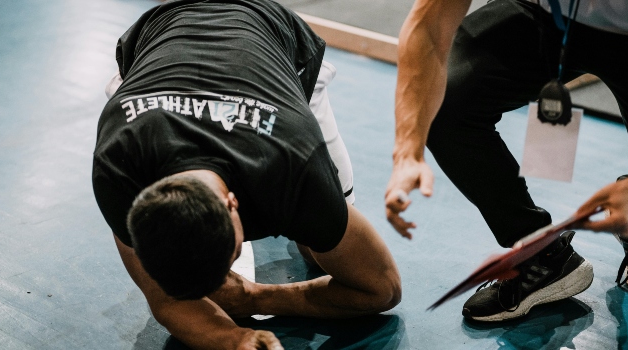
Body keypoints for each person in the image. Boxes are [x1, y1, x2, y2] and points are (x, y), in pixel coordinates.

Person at [385, 0, 628, 321]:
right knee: (446, 103)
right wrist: (407, 151)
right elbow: (428, 27)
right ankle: (542, 256)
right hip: (545, 13)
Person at [92, 1, 401, 348]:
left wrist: (256, 297)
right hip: (160, 35)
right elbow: (165, 299)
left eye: (233, 255)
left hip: (266, 28)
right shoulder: (118, 168)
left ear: (232, 203)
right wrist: (235, 338)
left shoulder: (295, 168)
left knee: (316, 255)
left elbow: (382, 289)